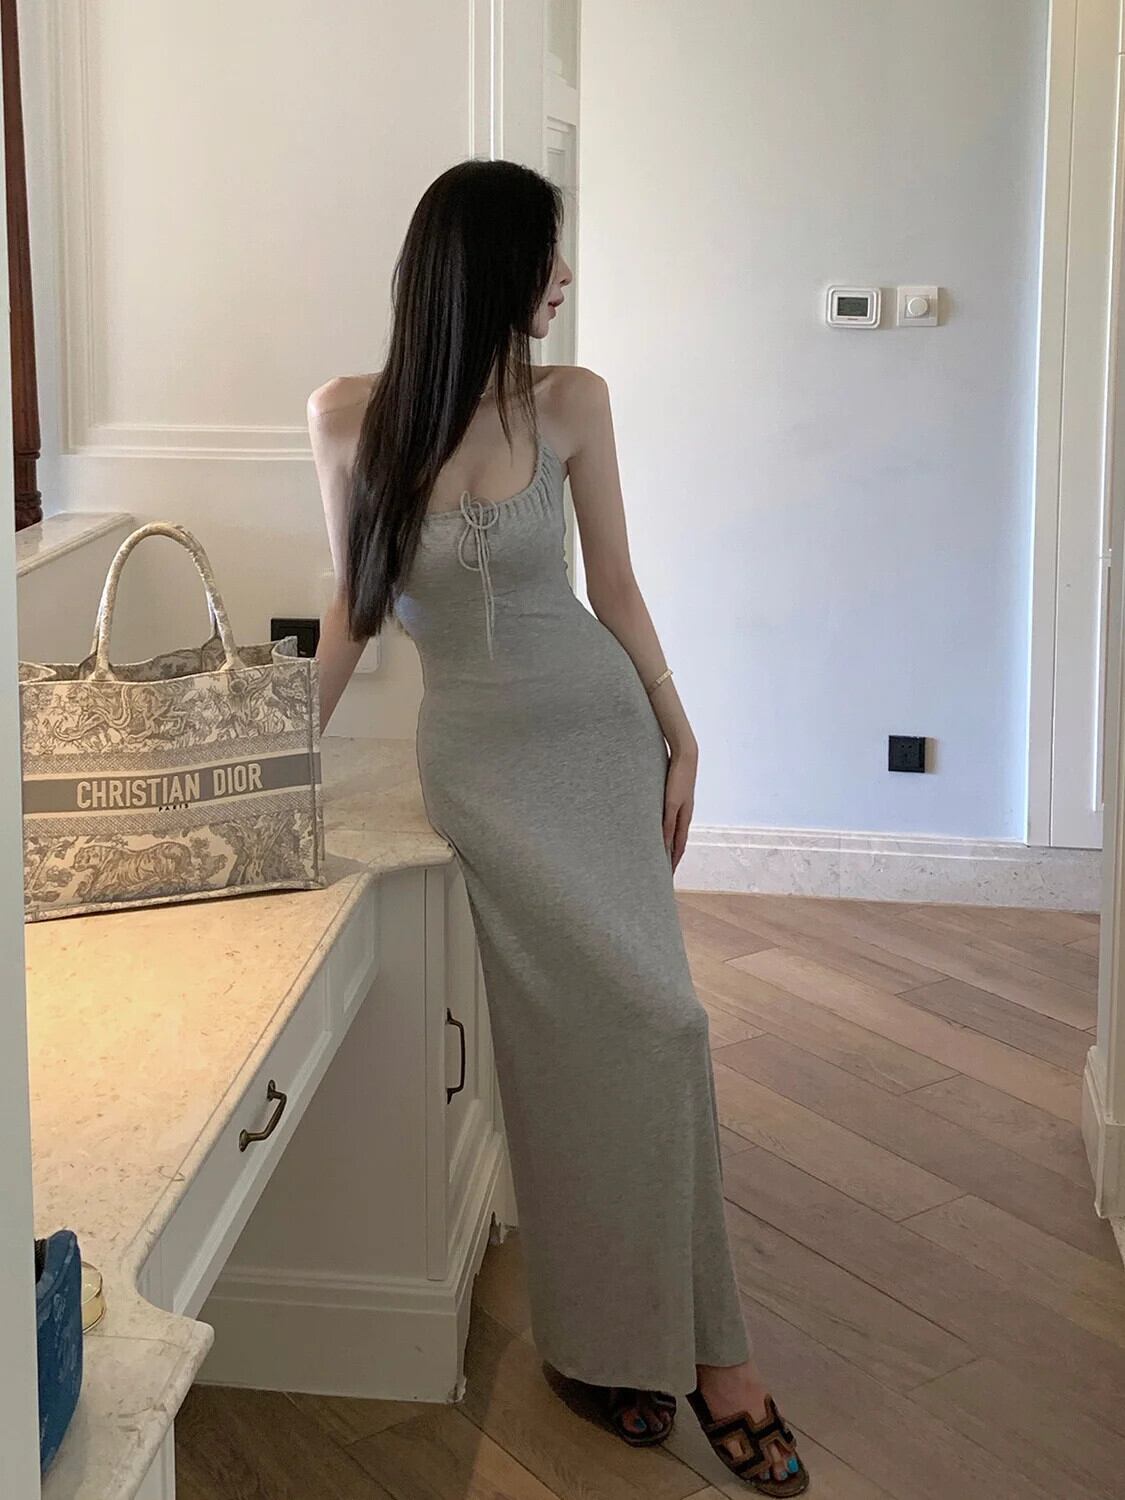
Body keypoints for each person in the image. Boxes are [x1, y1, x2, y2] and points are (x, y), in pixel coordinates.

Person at [307, 157, 809, 1497]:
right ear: (485, 268)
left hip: (597, 739)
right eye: (547, 256)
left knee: (663, 1025)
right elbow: (352, 605)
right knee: (570, 1052)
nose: (565, 280)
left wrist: (679, 729)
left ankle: (705, 1353)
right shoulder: (349, 418)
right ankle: (616, 1345)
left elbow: (617, 589)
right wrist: (283, 762)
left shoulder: (573, 402)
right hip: (479, 767)